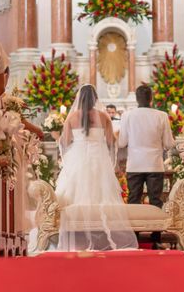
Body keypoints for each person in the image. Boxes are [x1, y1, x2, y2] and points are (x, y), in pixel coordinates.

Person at [55, 85, 138, 251]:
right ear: (95, 99)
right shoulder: (103, 116)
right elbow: (110, 141)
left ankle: (77, 236)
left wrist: (69, 155)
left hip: (77, 156)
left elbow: (64, 141)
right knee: (101, 192)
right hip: (98, 157)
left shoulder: (72, 117)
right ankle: (100, 236)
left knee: (74, 190)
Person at [118, 85, 175, 248]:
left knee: (134, 200)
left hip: (135, 164)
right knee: (155, 200)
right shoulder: (161, 116)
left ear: (136, 99)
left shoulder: (127, 116)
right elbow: (169, 143)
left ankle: (134, 238)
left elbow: (122, 142)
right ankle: (156, 237)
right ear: (151, 98)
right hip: (154, 163)